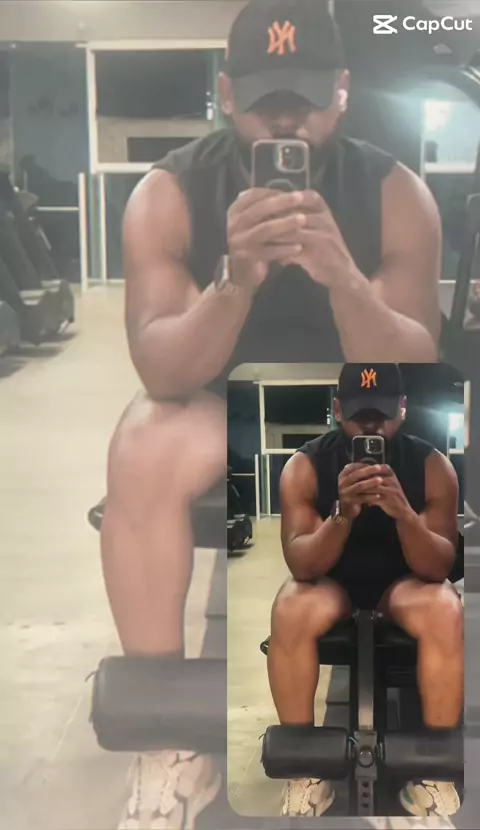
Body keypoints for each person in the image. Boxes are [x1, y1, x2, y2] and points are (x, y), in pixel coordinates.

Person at [101, 1, 444, 827]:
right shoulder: (169, 193)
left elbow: (416, 363)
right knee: (142, 442)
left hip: (361, 406)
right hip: (225, 406)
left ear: (343, 91)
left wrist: (343, 278)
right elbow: (162, 368)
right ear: (227, 94)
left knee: (430, 440)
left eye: (306, 101)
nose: (286, 121)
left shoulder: (395, 192)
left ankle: (415, 731)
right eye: (264, 102)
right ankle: (169, 741)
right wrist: (236, 282)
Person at [269, 363, 463, 820]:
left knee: (445, 608)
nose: (372, 426)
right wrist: (343, 513)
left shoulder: (433, 467)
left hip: (403, 583)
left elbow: (439, 567)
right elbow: (302, 564)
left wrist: (403, 514)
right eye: (360, 415)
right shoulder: (304, 467)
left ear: (403, 408)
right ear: (338, 410)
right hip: (332, 581)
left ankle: (432, 774)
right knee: (291, 607)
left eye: (383, 414)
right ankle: (306, 771)